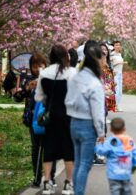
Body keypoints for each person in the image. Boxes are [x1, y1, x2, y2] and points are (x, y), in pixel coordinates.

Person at [35, 44, 77, 195]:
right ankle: (68, 183)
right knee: (68, 148)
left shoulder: (44, 73)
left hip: (51, 115)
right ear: (66, 56)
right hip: (68, 116)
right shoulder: (72, 72)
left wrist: (49, 101)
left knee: (49, 147)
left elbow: (38, 97)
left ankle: (46, 183)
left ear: (51, 57)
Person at [65, 42, 106, 195]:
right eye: (103, 60)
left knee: (78, 162)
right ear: (96, 61)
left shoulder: (75, 77)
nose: (104, 63)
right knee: (85, 163)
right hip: (88, 126)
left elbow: (68, 100)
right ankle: (78, 192)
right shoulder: (95, 83)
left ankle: (76, 190)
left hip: (74, 123)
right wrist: (101, 132)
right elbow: (97, 112)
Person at [14, 52, 57, 188]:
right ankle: (37, 178)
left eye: (41, 64)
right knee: (36, 149)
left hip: (49, 119)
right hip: (33, 121)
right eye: (34, 65)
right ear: (31, 67)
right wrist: (28, 88)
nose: (38, 68)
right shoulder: (28, 80)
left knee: (50, 149)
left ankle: (51, 177)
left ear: (45, 65)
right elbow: (17, 98)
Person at [95, 117, 136, 195]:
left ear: (111, 129)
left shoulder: (110, 142)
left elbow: (101, 151)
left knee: (115, 191)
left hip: (113, 174)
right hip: (126, 173)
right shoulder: (129, 141)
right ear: (124, 129)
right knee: (127, 191)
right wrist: (134, 166)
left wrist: (99, 145)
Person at [101, 43, 116, 113]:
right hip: (104, 86)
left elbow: (110, 75)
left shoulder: (109, 62)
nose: (104, 51)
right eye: (102, 49)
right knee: (103, 104)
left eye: (105, 50)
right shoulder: (99, 62)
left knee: (109, 105)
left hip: (110, 85)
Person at [111, 41, 126, 112]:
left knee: (120, 91)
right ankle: (114, 106)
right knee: (116, 90)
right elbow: (110, 65)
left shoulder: (120, 54)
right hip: (115, 74)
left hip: (120, 74)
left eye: (119, 45)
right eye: (116, 45)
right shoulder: (111, 55)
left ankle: (117, 105)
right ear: (113, 46)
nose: (118, 46)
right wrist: (119, 62)